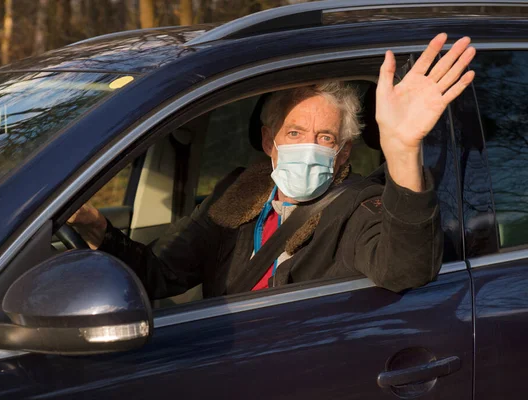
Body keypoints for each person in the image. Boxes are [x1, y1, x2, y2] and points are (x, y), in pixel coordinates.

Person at [69, 33, 476, 299]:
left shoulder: (359, 207)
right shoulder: (236, 196)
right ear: (270, 141)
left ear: (344, 152)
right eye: (295, 133)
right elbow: (159, 274)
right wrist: (95, 226)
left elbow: (407, 269)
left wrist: (403, 149)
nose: (309, 147)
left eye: (326, 138)